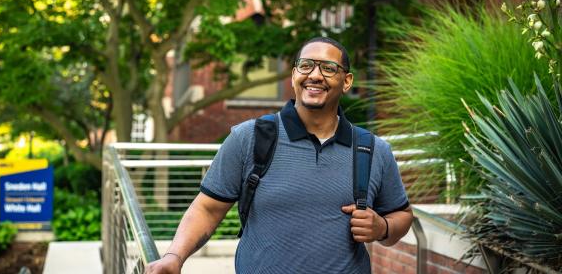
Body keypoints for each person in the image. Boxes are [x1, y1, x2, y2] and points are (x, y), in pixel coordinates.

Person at [145, 37, 413, 274]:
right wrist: (174, 257)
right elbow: (207, 208)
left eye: (329, 68)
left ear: (347, 81)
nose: (315, 75)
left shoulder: (372, 149)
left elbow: (401, 213)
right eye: (306, 65)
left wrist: (383, 228)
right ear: (294, 74)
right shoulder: (250, 138)